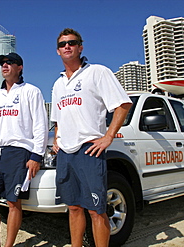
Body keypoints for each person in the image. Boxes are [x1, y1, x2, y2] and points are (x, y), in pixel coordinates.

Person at [51, 28, 132, 247]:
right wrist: (56, 139)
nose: (67, 46)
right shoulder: (58, 84)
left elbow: (123, 105)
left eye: (72, 42)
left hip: (89, 151)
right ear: (58, 51)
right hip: (66, 155)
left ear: (80, 47)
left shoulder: (97, 72)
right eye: (62, 44)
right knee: (74, 207)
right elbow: (57, 119)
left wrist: (108, 137)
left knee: (96, 209)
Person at [0, 52, 48, 247]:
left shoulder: (31, 91)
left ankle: (9, 245)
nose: (5, 65)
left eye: (10, 63)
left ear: (20, 68)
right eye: (2, 63)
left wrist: (36, 155)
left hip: (19, 152)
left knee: (13, 202)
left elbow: (40, 125)